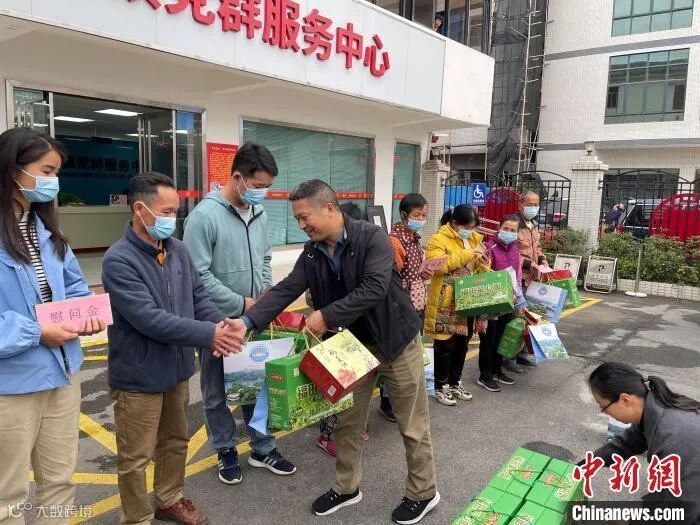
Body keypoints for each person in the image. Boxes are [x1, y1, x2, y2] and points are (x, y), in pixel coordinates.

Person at [242, 180, 439, 524]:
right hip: (350, 349)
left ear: (329, 208)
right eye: (298, 219)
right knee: (348, 423)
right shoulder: (312, 252)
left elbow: (374, 288)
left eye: (305, 217)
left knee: (412, 425)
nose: (302, 225)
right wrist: (247, 321)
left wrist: (325, 316)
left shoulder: (372, 238)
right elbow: (288, 288)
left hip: (395, 341)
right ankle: (347, 487)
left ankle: (423, 493)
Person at [102, 172, 246, 525]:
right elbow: (150, 319)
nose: (173, 219)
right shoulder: (118, 260)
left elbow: (198, 298)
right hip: (138, 375)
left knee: (176, 440)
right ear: (140, 209)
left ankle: (169, 498)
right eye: (166, 212)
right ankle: (136, 517)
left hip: (177, 369)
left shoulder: (177, 250)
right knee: (135, 456)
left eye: (175, 211)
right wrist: (209, 335)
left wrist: (222, 324)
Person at [0, 128, 105, 525]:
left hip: (62, 374)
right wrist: (36, 332)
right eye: (46, 171)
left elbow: (75, 286)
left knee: (59, 483)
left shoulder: (44, 229)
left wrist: (85, 311)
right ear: (13, 170)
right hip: (12, 384)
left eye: (56, 172)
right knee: (7, 495)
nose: (53, 182)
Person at [183, 142, 296, 485]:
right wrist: (239, 303)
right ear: (237, 177)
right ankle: (225, 450)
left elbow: (265, 257)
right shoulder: (204, 217)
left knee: (255, 383)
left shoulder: (258, 213)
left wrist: (264, 293)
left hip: (254, 317)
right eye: (258, 185)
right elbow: (197, 275)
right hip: (216, 320)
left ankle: (263, 448)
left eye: (267, 187)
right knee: (216, 391)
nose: (263, 193)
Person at [585, 362, 700, 522]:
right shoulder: (653, 407)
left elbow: (685, 511)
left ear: (625, 400)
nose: (604, 412)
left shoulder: (674, 437)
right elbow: (627, 443)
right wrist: (584, 466)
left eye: (604, 407)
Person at [316, 201, 369, 457]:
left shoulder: (362, 247)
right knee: (334, 386)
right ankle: (327, 435)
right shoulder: (319, 251)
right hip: (332, 334)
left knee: (353, 385)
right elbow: (309, 295)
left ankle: (351, 428)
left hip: (355, 334)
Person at [424, 204, 490, 406]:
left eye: (473, 227)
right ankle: (440, 387)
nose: (470, 230)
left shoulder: (475, 239)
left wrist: (484, 262)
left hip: (468, 299)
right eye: (467, 227)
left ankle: (455, 383)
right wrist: (468, 254)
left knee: (462, 344)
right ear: (454, 223)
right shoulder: (438, 239)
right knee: (444, 345)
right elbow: (438, 265)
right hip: (446, 302)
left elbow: (481, 268)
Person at [386, 193, 432, 418]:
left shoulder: (414, 237)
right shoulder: (395, 241)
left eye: (424, 215)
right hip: (402, 307)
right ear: (404, 215)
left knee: (412, 354)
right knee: (397, 357)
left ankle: (402, 402)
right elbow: (392, 277)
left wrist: (424, 272)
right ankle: (388, 402)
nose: (421, 219)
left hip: (417, 303)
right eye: (417, 215)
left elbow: (412, 271)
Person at [477, 215, 528, 393]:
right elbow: (482, 274)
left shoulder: (515, 249)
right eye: (506, 228)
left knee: (500, 338)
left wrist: (520, 301)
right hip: (491, 302)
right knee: (488, 340)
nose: (509, 232)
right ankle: (485, 375)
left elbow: (517, 277)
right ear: (499, 228)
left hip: (508, 301)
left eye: (513, 230)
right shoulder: (488, 247)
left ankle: (497, 371)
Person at [504, 191, 545, 374]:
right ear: (521, 205)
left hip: (533, 278)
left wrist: (543, 260)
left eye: (536, 204)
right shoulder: (514, 225)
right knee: (515, 318)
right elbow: (511, 251)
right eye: (530, 204)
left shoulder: (533, 224)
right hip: (518, 279)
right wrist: (529, 264)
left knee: (528, 318)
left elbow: (537, 247)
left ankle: (521, 354)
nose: (533, 208)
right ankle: (508, 358)